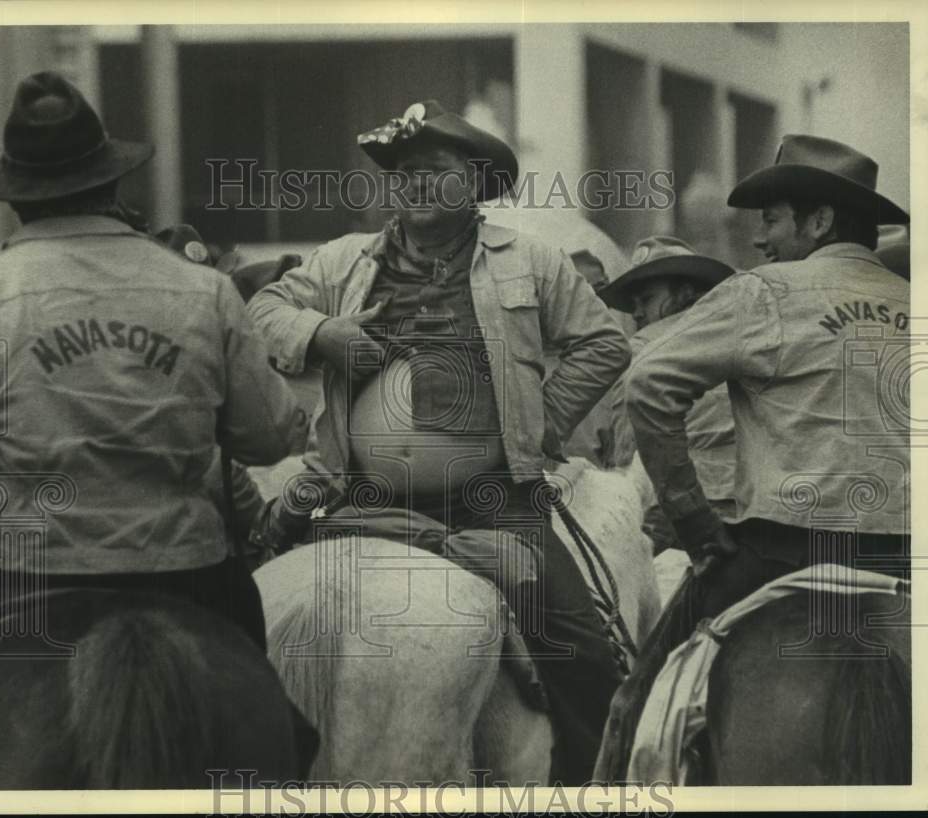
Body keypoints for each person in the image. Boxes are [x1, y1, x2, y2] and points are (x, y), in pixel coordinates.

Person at [248, 99, 632, 784]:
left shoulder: (533, 262)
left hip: (493, 498)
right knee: (237, 611)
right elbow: (260, 308)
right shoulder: (341, 261)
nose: (412, 185)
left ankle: (589, 788)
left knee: (583, 652)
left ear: (476, 180)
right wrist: (321, 334)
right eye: (402, 174)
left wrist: (542, 423)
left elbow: (603, 342)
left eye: (432, 171)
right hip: (350, 489)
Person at [0, 72, 310, 655]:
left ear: (14, 197)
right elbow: (269, 441)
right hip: (183, 574)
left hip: (23, 577)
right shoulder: (206, 291)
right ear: (111, 184)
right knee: (280, 729)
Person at [594, 134, 911, 779]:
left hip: (777, 553)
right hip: (911, 556)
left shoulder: (765, 291)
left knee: (633, 705)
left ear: (818, 220)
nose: (760, 240)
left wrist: (696, 527)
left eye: (772, 219)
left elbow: (649, 384)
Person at [594, 236, 737, 553]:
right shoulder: (740, 338)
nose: (637, 313)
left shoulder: (640, 353)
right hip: (747, 516)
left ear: (685, 293)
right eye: (633, 305)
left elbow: (626, 457)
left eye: (646, 299)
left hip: (673, 524)